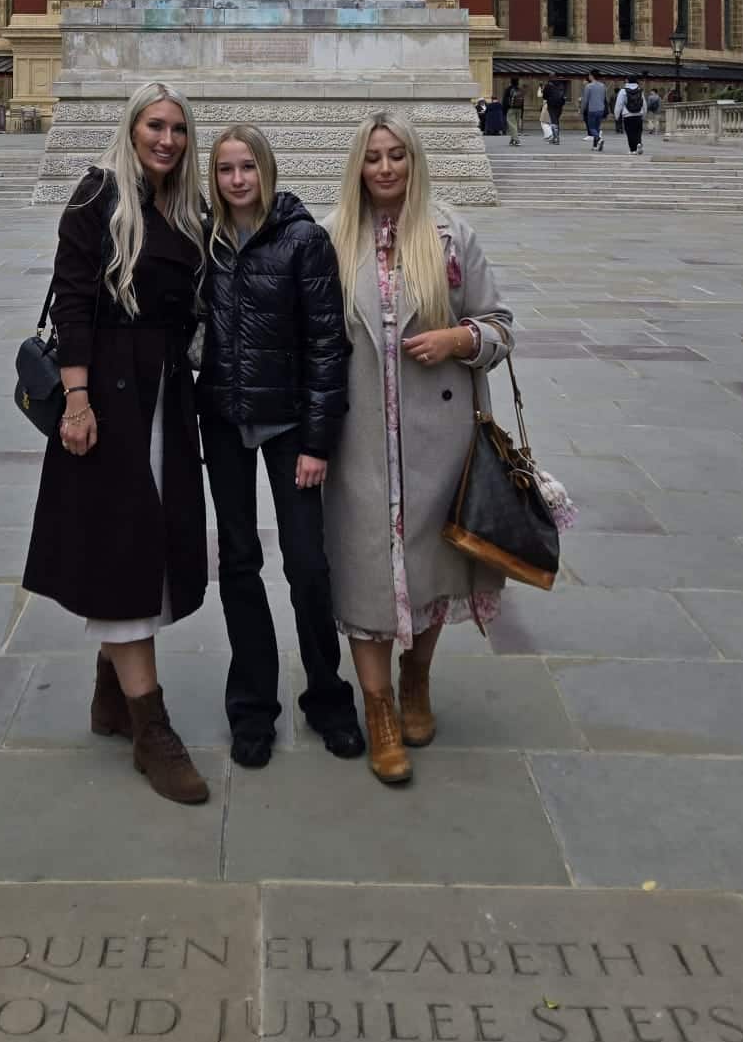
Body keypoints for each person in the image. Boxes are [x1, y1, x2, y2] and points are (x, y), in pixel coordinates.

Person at [22, 81, 211, 805]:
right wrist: (76, 400)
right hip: (106, 395)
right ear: (131, 129)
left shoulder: (184, 207)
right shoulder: (97, 195)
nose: (167, 139)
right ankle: (150, 727)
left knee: (152, 540)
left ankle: (110, 687)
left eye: (178, 129)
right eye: (155, 126)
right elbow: (72, 301)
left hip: (166, 392)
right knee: (126, 545)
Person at [323, 111, 514, 784]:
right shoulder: (331, 238)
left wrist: (459, 340)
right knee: (364, 570)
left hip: (438, 438)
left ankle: (417, 679)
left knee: (431, 569)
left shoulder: (450, 234)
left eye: (397, 155)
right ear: (358, 165)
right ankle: (377, 706)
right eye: (373, 157)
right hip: (357, 440)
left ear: (414, 162)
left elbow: (499, 327)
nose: (385, 168)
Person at [196, 124, 365, 769]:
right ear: (213, 178)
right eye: (225, 169)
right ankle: (252, 708)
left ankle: (328, 698)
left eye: (248, 167)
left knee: (307, 565)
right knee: (239, 564)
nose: (237, 180)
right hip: (224, 421)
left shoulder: (305, 239)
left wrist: (317, 442)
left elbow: (327, 346)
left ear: (267, 170)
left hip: (290, 427)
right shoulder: (204, 240)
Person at [614, 76, 647, 154]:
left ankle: (633, 150)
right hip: (638, 114)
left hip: (628, 115)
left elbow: (619, 104)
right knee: (638, 132)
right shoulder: (639, 90)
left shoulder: (623, 91)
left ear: (627, 81)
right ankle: (639, 143)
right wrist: (644, 114)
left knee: (630, 132)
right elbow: (644, 104)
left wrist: (616, 115)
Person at [580, 71, 608, 152]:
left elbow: (585, 100)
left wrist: (582, 110)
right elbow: (604, 98)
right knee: (597, 128)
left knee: (591, 127)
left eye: (589, 75)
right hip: (601, 109)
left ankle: (599, 139)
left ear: (592, 76)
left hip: (592, 109)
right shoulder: (603, 86)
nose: (589, 76)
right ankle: (595, 146)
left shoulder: (589, 86)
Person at [542, 77, 567, 143]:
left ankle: (556, 138)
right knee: (556, 120)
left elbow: (544, 96)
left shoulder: (548, 85)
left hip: (551, 105)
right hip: (560, 105)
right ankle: (556, 136)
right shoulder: (561, 85)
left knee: (553, 120)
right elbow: (564, 95)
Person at [503, 77, 525, 145]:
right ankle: (512, 140)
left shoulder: (508, 89)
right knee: (515, 125)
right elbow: (522, 101)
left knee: (512, 125)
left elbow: (505, 100)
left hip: (511, 109)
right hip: (519, 109)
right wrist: (522, 111)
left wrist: (504, 110)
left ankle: (516, 140)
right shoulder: (520, 90)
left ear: (511, 82)